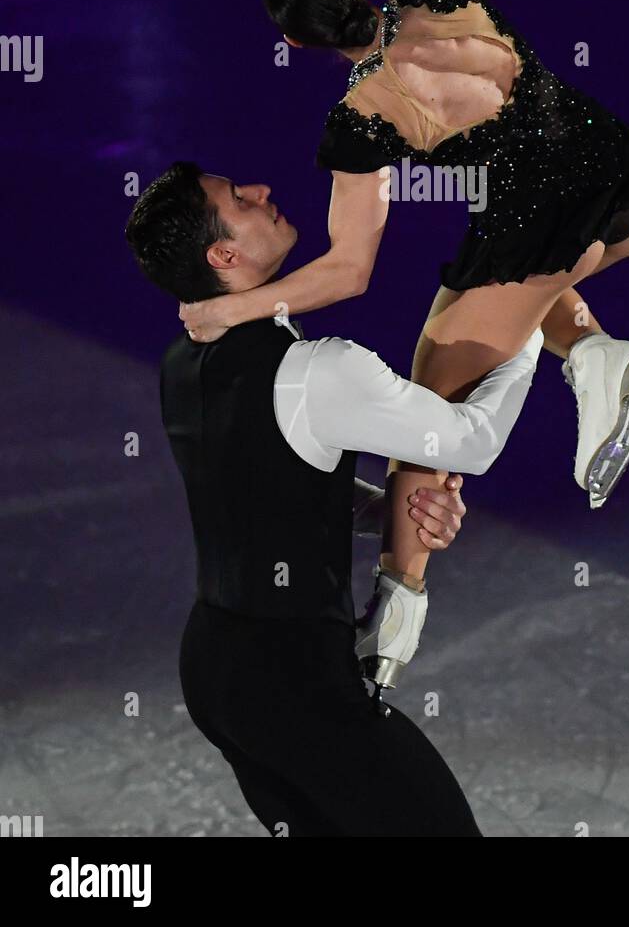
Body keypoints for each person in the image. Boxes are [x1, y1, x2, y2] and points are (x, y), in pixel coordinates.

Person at [179, 0, 629, 687]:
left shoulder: (360, 119)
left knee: (424, 397)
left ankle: (384, 644)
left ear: (293, 46)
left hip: (539, 218)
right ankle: (596, 358)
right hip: (627, 172)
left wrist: (236, 302)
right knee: (519, 302)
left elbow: (347, 268)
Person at [126, 161, 546, 836]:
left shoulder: (183, 356)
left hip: (214, 670)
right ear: (224, 254)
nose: (262, 188)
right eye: (239, 197)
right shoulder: (319, 370)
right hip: (293, 685)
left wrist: (392, 510)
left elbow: (264, 484)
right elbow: (472, 442)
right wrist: (523, 335)